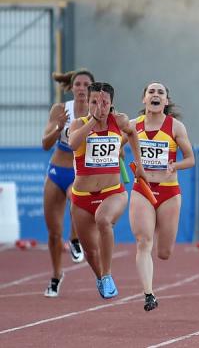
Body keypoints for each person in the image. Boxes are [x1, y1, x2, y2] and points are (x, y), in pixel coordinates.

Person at [68, 82, 145, 299]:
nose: (99, 106)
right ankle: (101, 277)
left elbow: (133, 133)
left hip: (113, 191)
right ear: (88, 103)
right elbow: (73, 144)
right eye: (94, 102)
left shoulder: (119, 121)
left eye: (104, 102)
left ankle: (108, 274)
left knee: (103, 220)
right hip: (81, 198)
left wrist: (137, 163)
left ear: (111, 104)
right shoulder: (78, 124)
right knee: (90, 251)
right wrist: (93, 119)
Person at [129, 82, 195, 311]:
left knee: (164, 252)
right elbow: (112, 148)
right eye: (151, 92)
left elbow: (191, 159)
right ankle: (149, 294)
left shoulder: (175, 127)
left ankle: (155, 223)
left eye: (160, 93)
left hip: (168, 192)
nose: (155, 95)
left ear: (166, 101)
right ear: (143, 99)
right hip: (142, 190)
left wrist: (175, 165)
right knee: (143, 241)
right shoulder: (132, 126)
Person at [41, 70, 93, 297]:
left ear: (91, 88)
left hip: (79, 172)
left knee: (75, 202)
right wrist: (58, 128)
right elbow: (45, 144)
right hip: (56, 171)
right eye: (78, 84)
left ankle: (75, 238)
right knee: (53, 233)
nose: (82, 88)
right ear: (72, 88)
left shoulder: (96, 112)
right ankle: (56, 275)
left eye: (86, 85)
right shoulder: (60, 110)